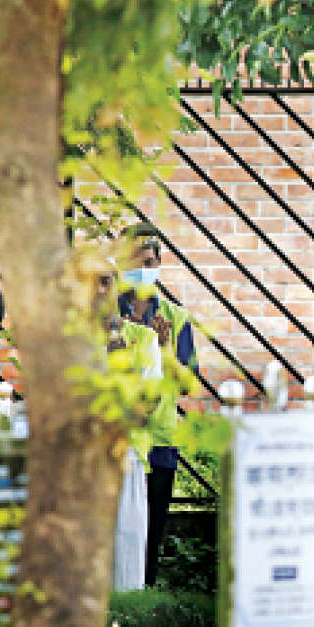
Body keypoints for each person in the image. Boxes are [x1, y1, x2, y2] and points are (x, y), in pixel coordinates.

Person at [116, 223, 198, 587]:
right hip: (116, 437)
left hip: (159, 439)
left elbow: (186, 384)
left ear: (159, 264)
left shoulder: (176, 318)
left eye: (148, 262)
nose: (141, 269)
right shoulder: (107, 315)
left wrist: (163, 351)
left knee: (151, 531)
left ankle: (144, 596)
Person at [95, 261, 161, 592]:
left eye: (105, 281)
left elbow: (143, 413)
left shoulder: (144, 340)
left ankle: (126, 623)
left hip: (127, 461)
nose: (97, 290)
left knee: (126, 565)